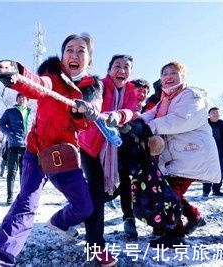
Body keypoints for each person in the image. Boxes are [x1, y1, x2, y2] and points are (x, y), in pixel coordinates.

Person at [0, 33, 102, 266]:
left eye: (81, 51)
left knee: (84, 206)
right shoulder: (52, 78)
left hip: (64, 157)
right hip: (36, 153)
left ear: (89, 60)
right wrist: (14, 74)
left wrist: (86, 111)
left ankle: (59, 221)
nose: (74, 55)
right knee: (25, 204)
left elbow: (91, 117)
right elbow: (37, 86)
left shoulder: (91, 90)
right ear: (62, 56)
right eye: (69, 50)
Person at [140, 61, 221, 247]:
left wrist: (148, 127)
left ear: (182, 77)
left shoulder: (191, 96)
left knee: (167, 193)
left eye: (174, 73)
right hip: (177, 156)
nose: (168, 77)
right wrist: (134, 122)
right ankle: (194, 216)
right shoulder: (165, 99)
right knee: (169, 190)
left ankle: (175, 234)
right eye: (165, 73)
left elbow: (181, 120)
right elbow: (149, 115)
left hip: (192, 154)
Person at [78, 54, 137, 265]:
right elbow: (94, 97)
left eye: (126, 67)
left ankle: (68, 214)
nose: (122, 70)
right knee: (96, 189)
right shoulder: (100, 84)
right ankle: (96, 245)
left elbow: (130, 110)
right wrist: (94, 108)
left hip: (114, 147)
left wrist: (120, 115)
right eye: (117, 66)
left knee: (109, 192)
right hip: (90, 146)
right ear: (109, 69)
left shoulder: (130, 90)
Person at [0, 93, 31, 205]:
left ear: (27, 100)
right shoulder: (10, 111)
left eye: (24, 98)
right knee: (11, 172)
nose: (21, 99)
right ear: (17, 100)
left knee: (25, 173)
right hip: (14, 146)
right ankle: (10, 196)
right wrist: (10, 134)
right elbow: (0, 124)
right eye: (19, 98)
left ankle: (23, 196)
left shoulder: (31, 112)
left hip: (28, 147)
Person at [202, 107, 223, 197]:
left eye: (217, 113)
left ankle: (216, 190)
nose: (215, 114)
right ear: (209, 114)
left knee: (221, 170)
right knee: (208, 171)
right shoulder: (204, 124)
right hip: (207, 150)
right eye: (213, 112)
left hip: (221, 150)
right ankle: (206, 190)